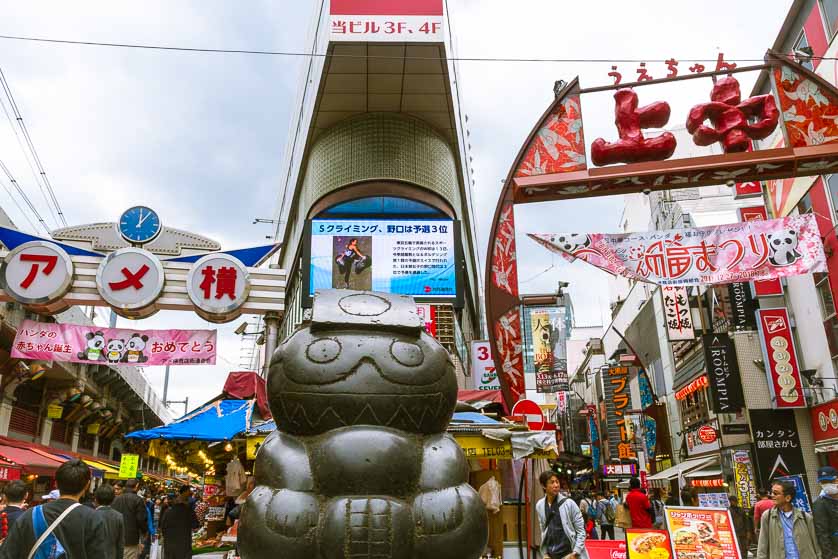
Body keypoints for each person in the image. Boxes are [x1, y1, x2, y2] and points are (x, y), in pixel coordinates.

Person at [0, 459, 105, 558]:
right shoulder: (93, 519)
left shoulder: (30, 514)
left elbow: (7, 554)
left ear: (56, 483)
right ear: (87, 485)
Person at [756, 479, 819, 559]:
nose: (772, 495)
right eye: (771, 492)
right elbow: (762, 545)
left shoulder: (805, 517)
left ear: (788, 498)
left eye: (775, 493)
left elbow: (816, 545)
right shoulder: (767, 516)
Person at [534, 471, 588, 559]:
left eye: (557, 481)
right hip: (551, 555)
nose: (556, 485)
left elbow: (581, 531)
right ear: (544, 486)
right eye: (552, 482)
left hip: (569, 554)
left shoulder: (569, 504)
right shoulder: (540, 505)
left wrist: (575, 553)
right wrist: (545, 553)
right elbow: (543, 529)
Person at [113, 478, 148, 559]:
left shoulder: (116, 499)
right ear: (136, 486)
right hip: (131, 540)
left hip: (117, 538)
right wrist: (144, 532)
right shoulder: (138, 500)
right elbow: (141, 519)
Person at [160, 485, 194, 559]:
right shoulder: (188, 511)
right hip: (184, 544)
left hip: (170, 545)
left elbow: (162, 527)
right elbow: (195, 524)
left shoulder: (167, 512)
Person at [813, 465, 838, 559]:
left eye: (830, 481)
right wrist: (830, 556)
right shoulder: (819, 504)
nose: (827, 485)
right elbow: (822, 533)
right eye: (823, 482)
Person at [95, 483, 125, 559]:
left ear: (96, 499)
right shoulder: (119, 516)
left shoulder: (90, 515)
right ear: (113, 499)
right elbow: (120, 543)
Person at [728, 494, 750, 559]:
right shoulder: (728, 510)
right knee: (736, 548)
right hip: (733, 533)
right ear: (730, 501)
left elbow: (746, 521)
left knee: (744, 548)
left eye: (736, 501)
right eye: (733, 501)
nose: (735, 502)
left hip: (743, 532)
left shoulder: (741, 510)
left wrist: (748, 531)